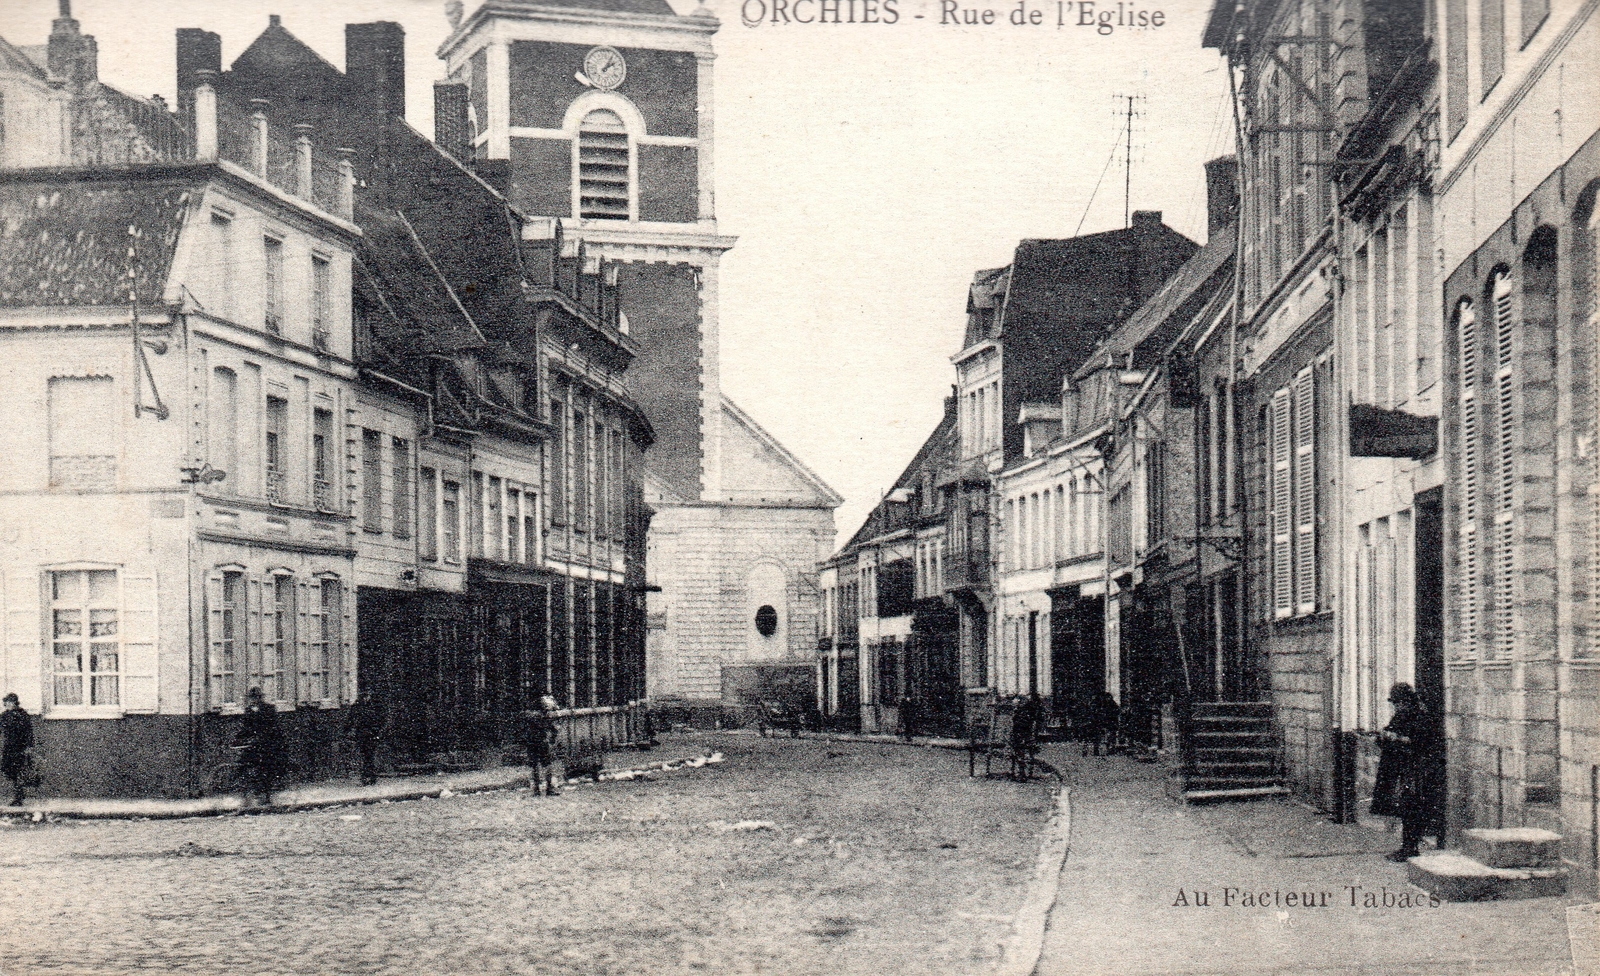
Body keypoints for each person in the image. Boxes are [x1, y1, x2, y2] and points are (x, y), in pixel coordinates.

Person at [1371, 682, 1438, 861]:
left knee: (1411, 808)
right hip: (1398, 770)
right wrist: (1384, 735)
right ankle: (1407, 846)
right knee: (1403, 807)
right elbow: (1386, 737)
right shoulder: (1399, 717)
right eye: (1395, 703)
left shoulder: (1421, 718)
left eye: (1400, 702)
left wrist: (1399, 739)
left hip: (1415, 771)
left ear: (1408, 701)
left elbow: (1422, 743)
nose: (1398, 706)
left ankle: (1410, 847)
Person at [237, 688, 283, 807]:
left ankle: (267, 797)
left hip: (269, 744)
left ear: (260, 698)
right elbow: (245, 728)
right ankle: (248, 794)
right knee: (243, 764)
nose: (253, 700)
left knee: (265, 768)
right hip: (255, 745)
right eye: (251, 698)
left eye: (255, 698)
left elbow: (273, 727)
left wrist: (261, 737)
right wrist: (238, 739)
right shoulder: (249, 711)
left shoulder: (269, 709)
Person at [1, 693, 35, 807]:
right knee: (8, 769)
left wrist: (29, 746)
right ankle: (19, 794)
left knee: (18, 771)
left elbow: (28, 731)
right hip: (8, 747)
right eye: (7, 702)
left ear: (15, 703)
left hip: (20, 747)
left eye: (11, 702)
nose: (8, 704)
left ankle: (18, 796)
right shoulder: (4, 715)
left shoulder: (22, 715)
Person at [344, 691, 385, 786]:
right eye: (365, 696)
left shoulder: (373, 706)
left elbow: (380, 720)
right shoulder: (358, 707)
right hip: (362, 734)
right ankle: (367, 777)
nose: (367, 698)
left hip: (371, 734)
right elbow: (350, 720)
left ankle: (369, 776)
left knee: (369, 756)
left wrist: (378, 732)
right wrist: (347, 730)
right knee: (365, 756)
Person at [525, 695, 559, 796]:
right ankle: (549, 788)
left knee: (534, 765)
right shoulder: (546, 716)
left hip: (531, 742)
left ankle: (536, 790)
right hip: (542, 742)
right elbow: (554, 729)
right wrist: (552, 738)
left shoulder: (529, 715)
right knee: (547, 764)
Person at [1011, 694, 1041, 780]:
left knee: (1018, 749)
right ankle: (1023, 771)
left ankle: (1021, 772)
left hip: (1023, 737)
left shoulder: (1022, 712)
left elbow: (1018, 725)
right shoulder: (1028, 711)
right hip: (1027, 737)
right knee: (1020, 749)